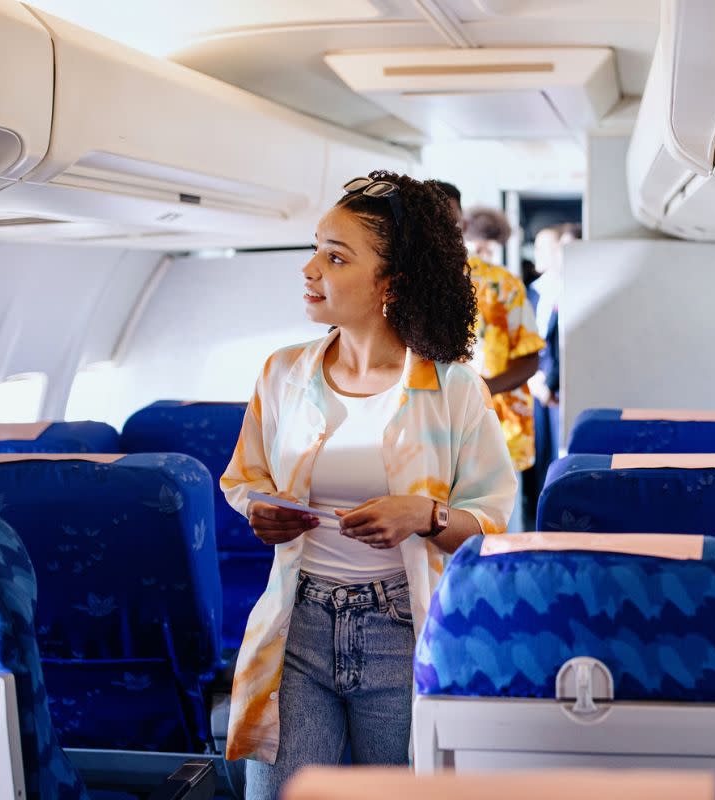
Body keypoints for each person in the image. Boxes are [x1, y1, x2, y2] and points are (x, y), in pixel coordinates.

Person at [221, 170, 517, 798]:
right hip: (297, 625)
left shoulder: (455, 389)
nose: (309, 269)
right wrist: (259, 511)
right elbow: (245, 478)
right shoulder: (281, 375)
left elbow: (491, 527)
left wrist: (424, 514)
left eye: (335, 257)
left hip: (403, 631)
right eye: (314, 248)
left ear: (390, 282)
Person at [432, 183, 545, 529]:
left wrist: (479, 389)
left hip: (499, 429)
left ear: (462, 227)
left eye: (447, 222)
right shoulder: (397, 287)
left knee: (503, 541)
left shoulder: (502, 284)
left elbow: (529, 358)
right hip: (433, 438)